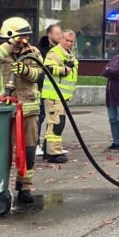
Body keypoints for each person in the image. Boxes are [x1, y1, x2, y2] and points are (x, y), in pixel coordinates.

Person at [0, 17, 44, 205]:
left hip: (29, 109)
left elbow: (39, 75)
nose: (25, 38)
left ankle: (25, 186)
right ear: (11, 35)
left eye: (27, 35)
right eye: (22, 35)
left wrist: (25, 70)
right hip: (6, 110)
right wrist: (10, 45)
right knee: (3, 151)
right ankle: (1, 186)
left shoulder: (33, 52)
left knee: (28, 150)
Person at [41, 31, 79, 163]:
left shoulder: (69, 54)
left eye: (71, 41)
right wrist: (65, 69)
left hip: (61, 96)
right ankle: (53, 153)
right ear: (61, 39)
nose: (69, 43)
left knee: (54, 123)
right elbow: (48, 69)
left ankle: (47, 150)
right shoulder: (54, 53)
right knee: (56, 124)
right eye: (67, 40)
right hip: (53, 95)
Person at [36, 24, 63, 151]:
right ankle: (35, 144)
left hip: (56, 91)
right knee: (39, 116)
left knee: (54, 119)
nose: (60, 36)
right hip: (43, 89)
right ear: (50, 35)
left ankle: (49, 145)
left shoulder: (61, 50)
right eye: (57, 34)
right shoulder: (40, 50)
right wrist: (40, 87)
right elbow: (41, 70)